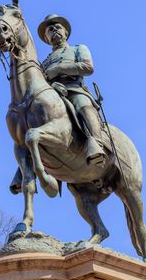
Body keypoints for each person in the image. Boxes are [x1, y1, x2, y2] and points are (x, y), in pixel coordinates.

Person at [38, 14, 105, 166]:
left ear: (66, 33)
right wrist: (52, 85)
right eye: (49, 29)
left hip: (74, 90)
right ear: (46, 38)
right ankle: (27, 165)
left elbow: (88, 67)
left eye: (57, 27)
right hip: (52, 94)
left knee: (83, 106)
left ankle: (96, 144)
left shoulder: (78, 49)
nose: (54, 29)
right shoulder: (44, 63)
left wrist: (60, 68)